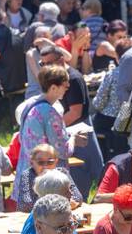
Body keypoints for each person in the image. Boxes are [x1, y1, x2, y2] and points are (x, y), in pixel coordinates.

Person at [12, 65, 86, 205]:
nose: (68, 87)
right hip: (45, 181)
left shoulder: (30, 105)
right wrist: (74, 139)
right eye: (65, 85)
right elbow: (63, 151)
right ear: (53, 88)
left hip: (27, 173)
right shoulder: (51, 113)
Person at [14, 144, 83, 213]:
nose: (45, 166)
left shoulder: (62, 173)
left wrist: (50, 205)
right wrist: (61, 204)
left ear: (56, 161)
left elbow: (78, 197)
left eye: (50, 162)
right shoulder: (27, 175)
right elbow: (25, 205)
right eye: (40, 162)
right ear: (32, 162)